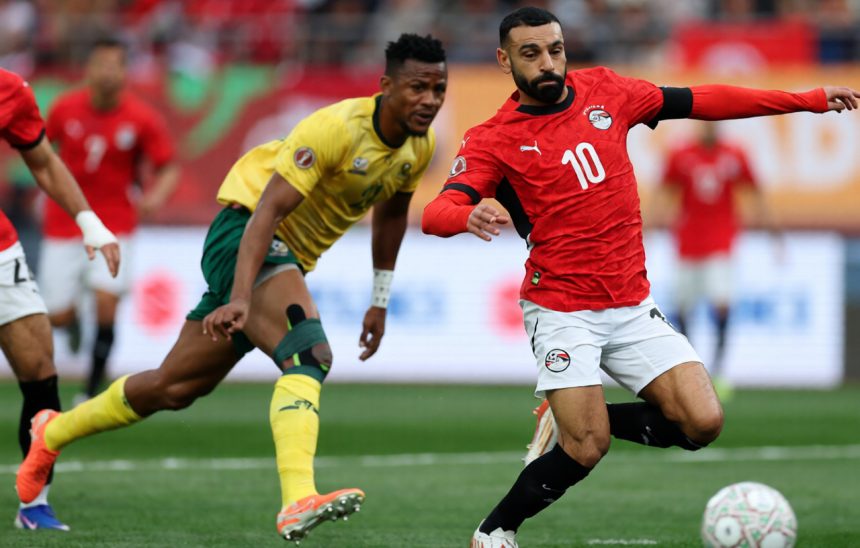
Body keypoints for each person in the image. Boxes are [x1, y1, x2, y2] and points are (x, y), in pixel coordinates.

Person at [420, 7, 858, 547]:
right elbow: (435, 213)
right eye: (530, 53)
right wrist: (466, 214)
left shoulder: (608, 91)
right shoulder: (493, 139)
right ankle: (494, 531)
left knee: (702, 422)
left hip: (630, 304)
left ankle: (569, 415)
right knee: (588, 447)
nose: (547, 63)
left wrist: (806, 99)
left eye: (555, 49)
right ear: (504, 61)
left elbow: (704, 100)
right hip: (561, 308)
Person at [17, 33, 447, 541]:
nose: (430, 100)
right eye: (417, 88)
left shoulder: (419, 147)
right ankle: (297, 499)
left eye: (438, 89)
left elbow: (391, 217)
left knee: (173, 387)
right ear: (386, 86)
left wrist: (379, 299)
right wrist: (242, 296)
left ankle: (51, 431)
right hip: (244, 233)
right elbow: (267, 211)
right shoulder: (335, 128)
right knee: (308, 353)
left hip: (282, 260)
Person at [0, 67, 120, 530]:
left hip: (1, 250)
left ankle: (34, 505)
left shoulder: (10, 89)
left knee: (39, 369)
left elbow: (45, 162)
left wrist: (88, 221)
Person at [40, 37, 179, 404]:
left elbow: (168, 166)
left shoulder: (142, 117)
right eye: (100, 64)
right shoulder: (64, 109)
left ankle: (89, 390)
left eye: (114, 65)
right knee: (57, 314)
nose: (106, 72)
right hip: (64, 222)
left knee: (106, 302)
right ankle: (70, 323)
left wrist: (156, 197)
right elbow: (40, 153)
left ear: (124, 71)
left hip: (115, 222)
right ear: (88, 69)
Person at [653, 122, 771, 398]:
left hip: (721, 242)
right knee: (684, 308)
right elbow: (665, 190)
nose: (709, 127)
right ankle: (693, 368)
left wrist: (770, 229)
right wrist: (651, 223)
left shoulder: (734, 154)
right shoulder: (681, 154)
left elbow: (754, 189)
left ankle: (718, 370)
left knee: (722, 304)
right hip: (687, 243)